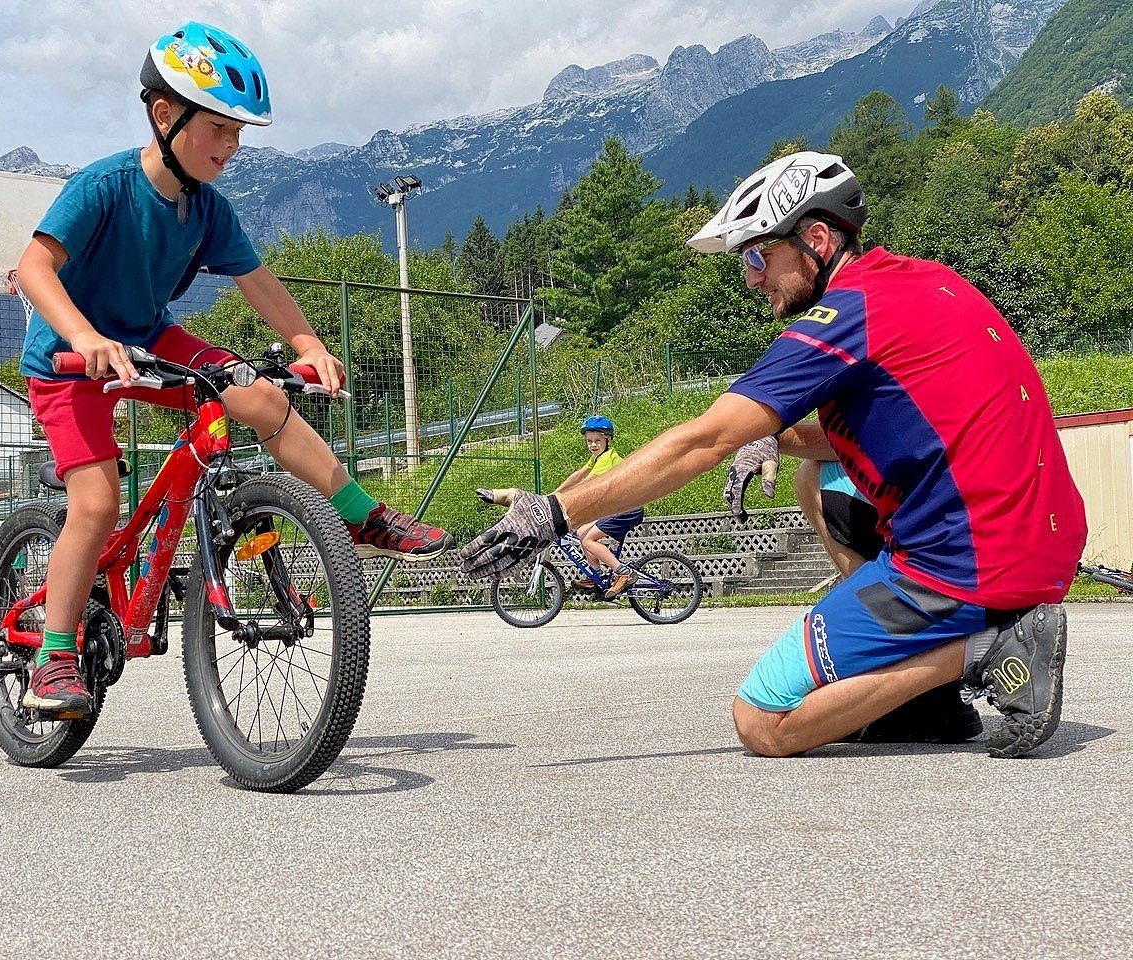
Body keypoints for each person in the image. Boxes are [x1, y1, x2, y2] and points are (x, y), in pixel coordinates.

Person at [460, 150, 1085, 760]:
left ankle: (988, 650)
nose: (752, 276)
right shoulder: (927, 282)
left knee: (764, 719)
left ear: (816, 238)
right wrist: (777, 439)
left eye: (760, 253)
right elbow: (892, 430)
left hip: (960, 567)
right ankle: (927, 698)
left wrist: (556, 512)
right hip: (1039, 547)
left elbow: (707, 438)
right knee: (813, 477)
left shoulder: (843, 316)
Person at [15, 21, 452, 718]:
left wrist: (307, 342)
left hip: (149, 338)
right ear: (165, 114)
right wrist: (85, 336)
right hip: (69, 362)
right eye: (219, 127)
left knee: (254, 391)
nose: (232, 146)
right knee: (95, 505)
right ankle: (55, 656)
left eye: (239, 133)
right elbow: (35, 268)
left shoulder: (206, 211)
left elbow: (260, 282)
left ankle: (362, 516)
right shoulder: (101, 186)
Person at [726, 438, 982, 744]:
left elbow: (856, 438)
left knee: (761, 720)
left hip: (940, 532)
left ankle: (975, 651)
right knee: (814, 472)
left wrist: (767, 434)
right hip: (976, 531)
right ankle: (932, 690)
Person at [551, 416, 646, 598]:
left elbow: (587, 485)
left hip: (627, 510)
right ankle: (597, 576)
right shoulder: (598, 457)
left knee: (589, 541)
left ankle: (623, 572)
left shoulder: (607, 459)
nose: (593, 445)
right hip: (616, 508)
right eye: (589, 441)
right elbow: (578, 475)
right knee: (581, 533)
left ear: (608, 440)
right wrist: (555, 493)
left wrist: (562, 501)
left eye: (598, 441)